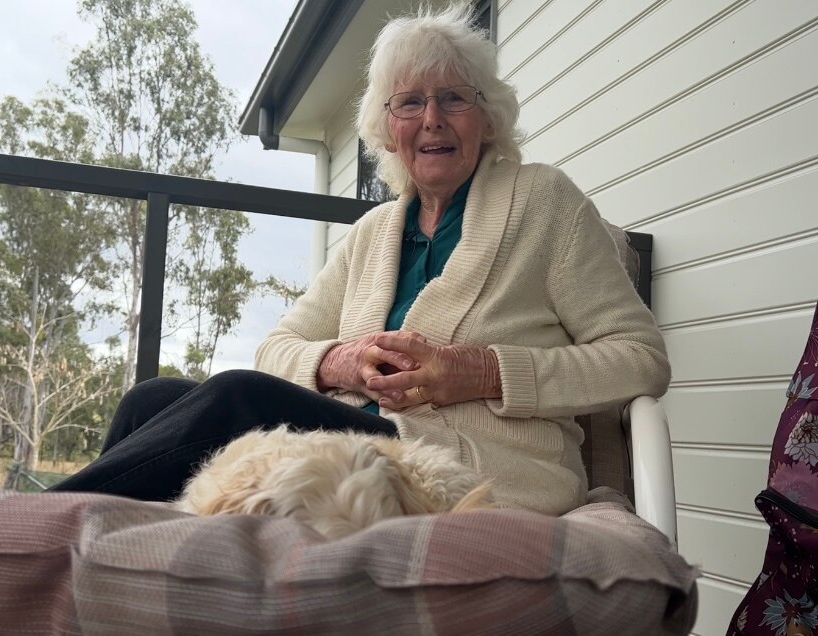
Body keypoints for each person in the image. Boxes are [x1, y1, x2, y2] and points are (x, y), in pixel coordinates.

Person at [50, 4, 670, 515]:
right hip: (350, 440)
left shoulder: (543, 202)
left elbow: (640, 358)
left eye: (454, 98)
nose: (432, 119)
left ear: (487, 117)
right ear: (388, 125)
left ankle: (28, 534)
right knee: (150, 401)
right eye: (410, 103)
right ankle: (92, 566)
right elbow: (280, 346)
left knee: (235, 397)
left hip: (458, 470)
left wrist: (482, 372)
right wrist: (338, 363)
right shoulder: (375, 230)